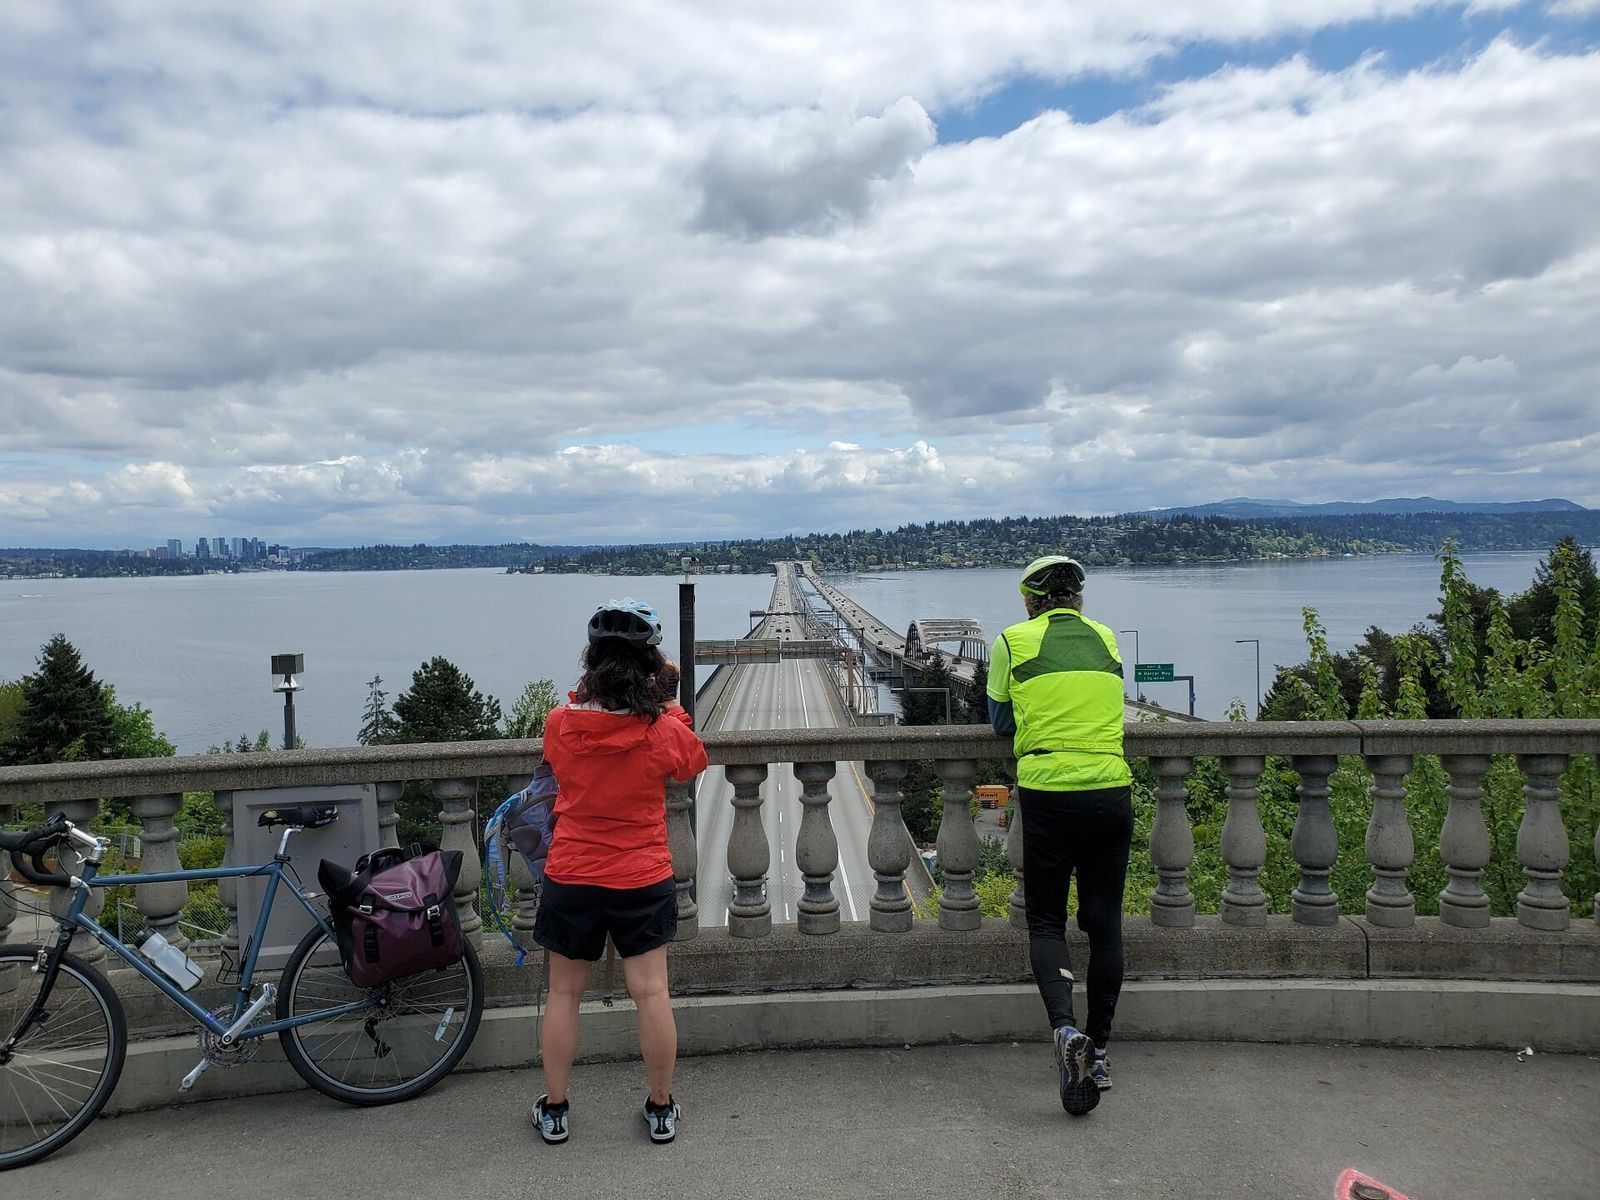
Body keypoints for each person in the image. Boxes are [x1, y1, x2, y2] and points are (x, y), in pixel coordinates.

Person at [530, 597, 708, 1146]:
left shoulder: (560, 723)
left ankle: (555, 1108)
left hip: (572, 873)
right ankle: (661, 1107)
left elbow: (564, 748)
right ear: (648, 666)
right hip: (640, 874)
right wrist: (668, 705)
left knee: (564, 996)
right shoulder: (660, 731)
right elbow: (692, 761)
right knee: (651, 994)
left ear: (592, 662)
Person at [987, 556, 1131, 1118]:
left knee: (1047, 921)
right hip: (1110, 789)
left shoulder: (1012, 641)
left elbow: (1002, 721)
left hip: (1048, 791)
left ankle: (1066, 1030)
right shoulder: (1107, 639)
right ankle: (1100, 1052)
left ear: (1030, 601)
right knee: (1104, 922)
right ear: (1079, 599)